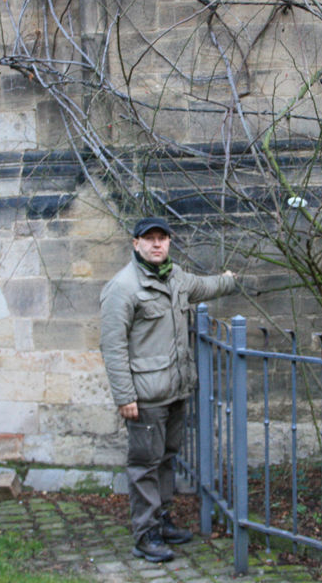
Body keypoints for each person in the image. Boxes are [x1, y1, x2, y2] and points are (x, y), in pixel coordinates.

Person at [99, 216, 237, 562]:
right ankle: (145, 536)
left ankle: (161, 521)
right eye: (150, 239)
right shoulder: (124, 287)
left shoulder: (176, 278)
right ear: (136, 244)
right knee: (145, 464)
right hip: (144, 396)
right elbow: (112, 346)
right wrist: (124, 396)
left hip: (175, 390)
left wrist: (233, 281)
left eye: (162, 238)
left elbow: (206, 287)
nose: (157, 244)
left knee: (165, 459)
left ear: (169, 243)